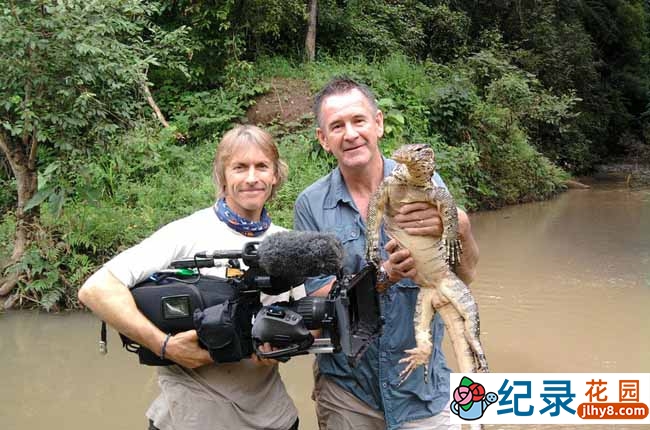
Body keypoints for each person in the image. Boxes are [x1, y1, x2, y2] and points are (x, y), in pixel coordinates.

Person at [78, 125, 302, 430]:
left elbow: (304, 319)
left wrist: (284, 344)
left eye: (261, 166)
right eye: (239, 167)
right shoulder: (186, 233)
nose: (252, 178)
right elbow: (96, 289)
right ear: (222, 176)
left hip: (272, 418)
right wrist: (164, 346)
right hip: (189, 419)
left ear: (275, 175)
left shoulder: (286, 244)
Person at [293, 77, 480, 430]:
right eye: (337, 126)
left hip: (423, 389)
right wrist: (383, 276)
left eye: (358, 121)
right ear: (323, 139)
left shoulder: (425, 182)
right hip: (349, 394)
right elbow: (316, 301)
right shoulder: (311, 205)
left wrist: (463, 226)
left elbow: (463, 277)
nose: (350, 134)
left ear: (378, 123)